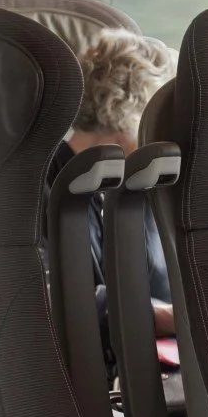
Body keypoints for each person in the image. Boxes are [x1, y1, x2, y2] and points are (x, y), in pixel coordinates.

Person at [43, 28, 178, 379]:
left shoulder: (146, 187)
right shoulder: (35, 188)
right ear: (132, 117)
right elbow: (47, 298)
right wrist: (163, 317)